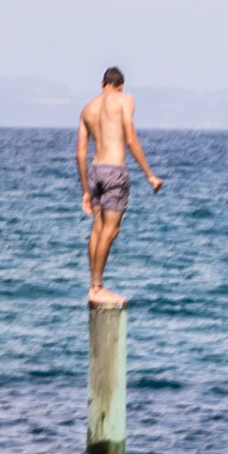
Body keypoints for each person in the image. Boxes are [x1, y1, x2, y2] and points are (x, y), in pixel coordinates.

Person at [77, 66, 163, 306]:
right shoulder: (125, 99)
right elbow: (130, 138)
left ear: (102, 84)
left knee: (97, 229)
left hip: (95, 171)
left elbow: (80, 154)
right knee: (111, 231)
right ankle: (97, 287)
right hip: (115, 170)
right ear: (121, 85)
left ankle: (93, 285)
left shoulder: (88, 108)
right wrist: (150, 175)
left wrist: (85, 191)